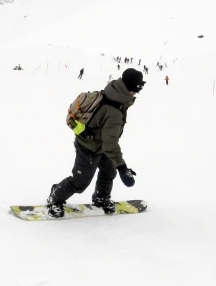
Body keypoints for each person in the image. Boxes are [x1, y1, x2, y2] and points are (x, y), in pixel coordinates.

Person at [46, 68, 144, 218]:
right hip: (88, 146)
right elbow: (110, 143)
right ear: (129, 87)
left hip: (101, 143)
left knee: (108, 171)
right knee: (80, 181)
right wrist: (122, 168)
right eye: (136, 89)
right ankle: (55, 197)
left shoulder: (114, 92)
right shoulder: (114, 110)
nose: (136, 93)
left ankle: (101, 199)